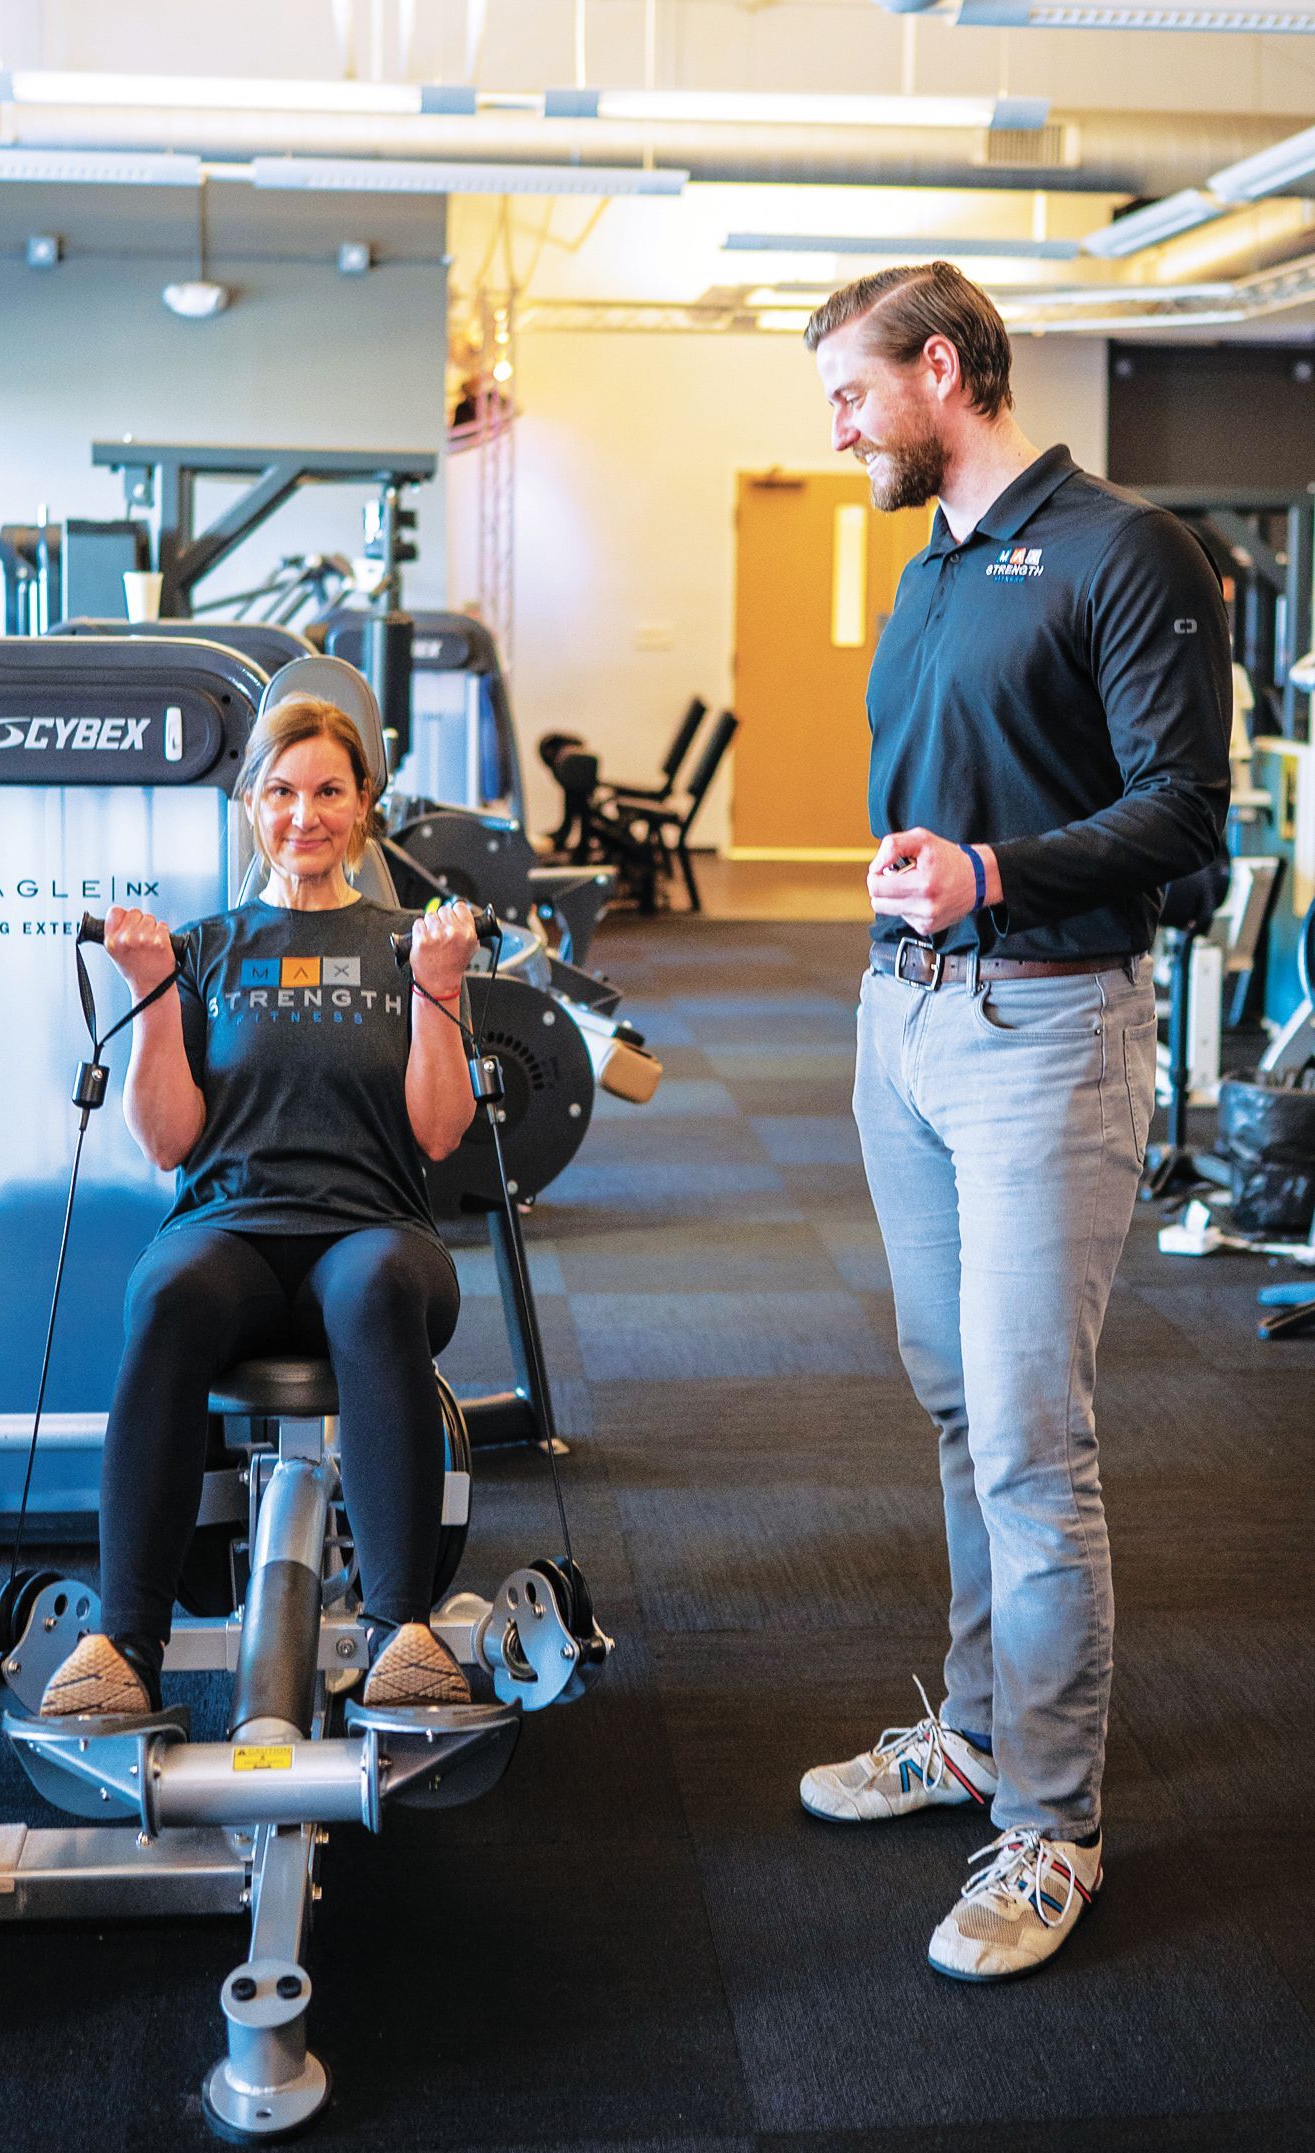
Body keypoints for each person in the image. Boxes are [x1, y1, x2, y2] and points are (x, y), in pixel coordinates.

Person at [797, 262, 1231, 1980]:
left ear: (939, 366)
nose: (834, 424)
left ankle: (1048, 1818)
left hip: (1045, 1028)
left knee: (1032, 1445)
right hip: (900, 1022)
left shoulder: (1126, 551)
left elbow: (1182, 819)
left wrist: (988, 874)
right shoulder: (935, 565)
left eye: (847, 390)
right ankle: (974, 1727)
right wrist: (930, 883)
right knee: (955, 1402)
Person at [39, 691, 480, 1718]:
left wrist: (441, 991)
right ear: (251, 805)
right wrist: (150, 994)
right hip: (229, 1229)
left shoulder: (409, 943)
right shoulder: (205, 948)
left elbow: (438, 1131)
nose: (304, 814)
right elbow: (166, 1142)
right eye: (281, 791)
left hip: (372, 1232)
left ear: (364, 803)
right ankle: (126, 1637)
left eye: (329, 790)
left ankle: (399, 1629)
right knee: (168, 1294)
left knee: (373, 1289)